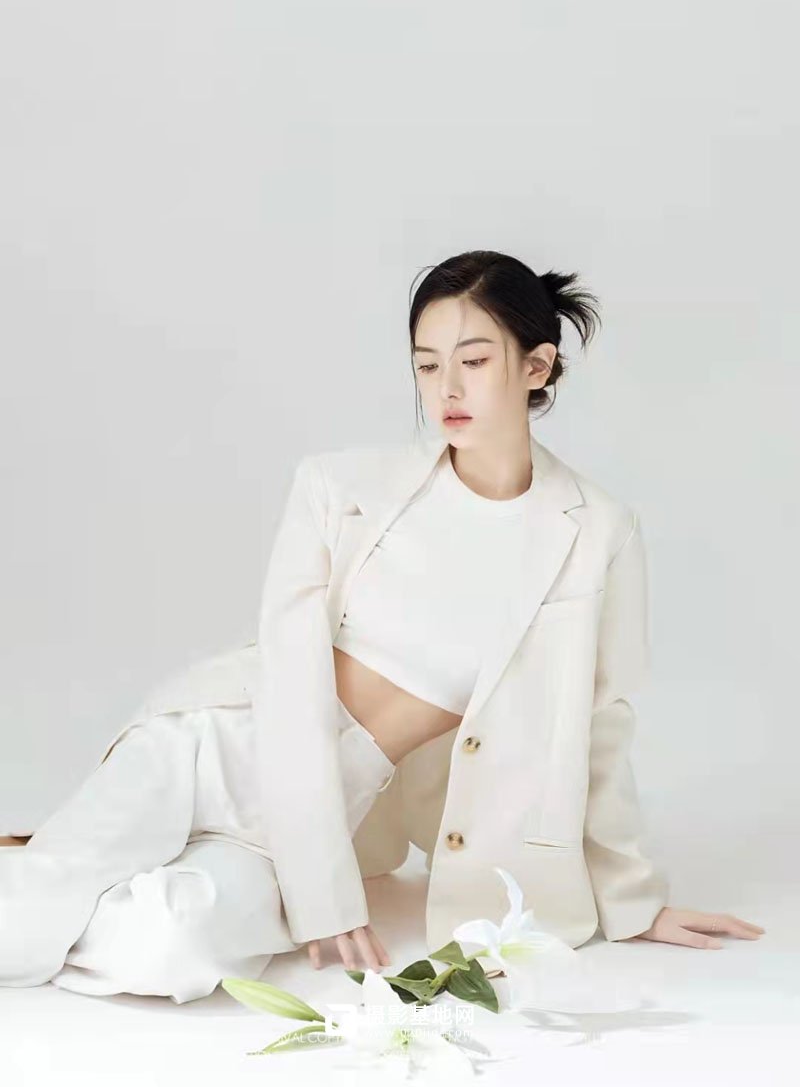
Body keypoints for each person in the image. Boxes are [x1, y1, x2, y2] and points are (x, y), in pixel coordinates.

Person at [0, 250, 765, 1004]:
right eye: (427, 365)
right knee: (31, 906)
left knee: (172, 951)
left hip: (340, 811)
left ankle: (69, 881)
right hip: (216, 745)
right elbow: (289, 679)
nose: (446, 388)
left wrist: (633, 903)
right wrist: (324, 894)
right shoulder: (339, 488)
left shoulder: (596, 531)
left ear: (537, 367)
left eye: (474, 361)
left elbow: (600, 725)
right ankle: (57, 876)